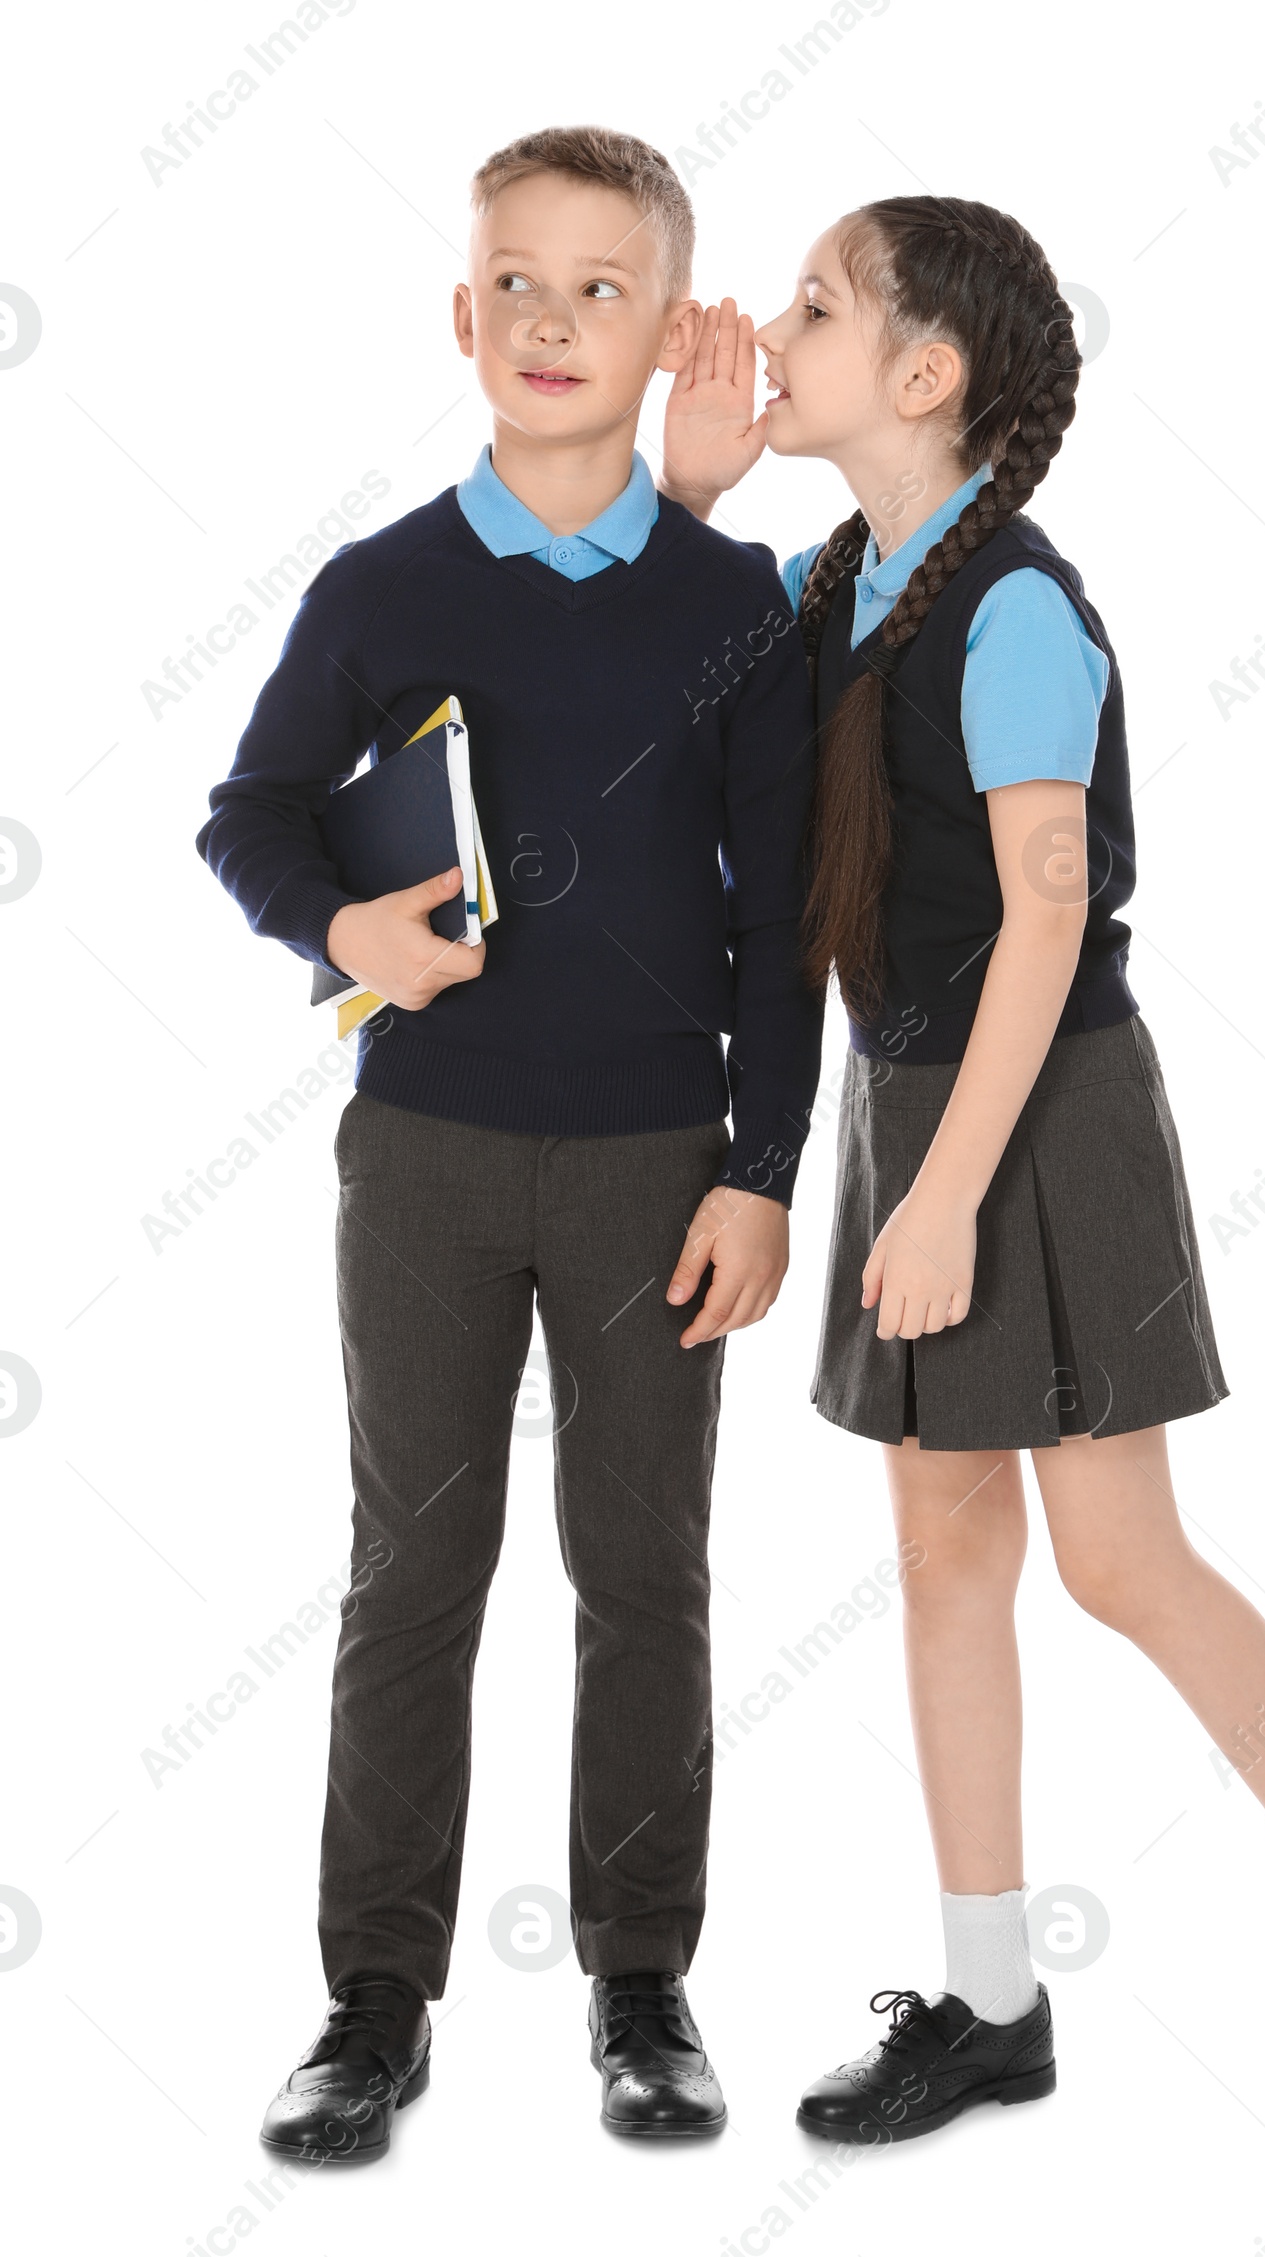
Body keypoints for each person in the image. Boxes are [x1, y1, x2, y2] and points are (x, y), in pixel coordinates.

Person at [659, 194, 1265, 2143]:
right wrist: (678, 512)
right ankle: (984, 1992)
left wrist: (941, 1195)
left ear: (920, 379)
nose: (768, 326)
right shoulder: (826, 579)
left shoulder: (1011, 605)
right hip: (906, 1096)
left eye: (816, 306)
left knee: (1114, 1556)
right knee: (939, 1552)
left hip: (1038, 1108)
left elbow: (1040, 920)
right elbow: (650, 712)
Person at [196, 125, 823, 2157]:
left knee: (644, 1572)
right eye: (516, 283)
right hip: (431, 1162)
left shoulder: (732, 600)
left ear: (664, 336)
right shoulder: (381, 584)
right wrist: (339, 922)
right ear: (463, 314)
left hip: (659, 1165)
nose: (551, 320)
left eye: (600, 287)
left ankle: (643, 1984)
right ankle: (371, 2003)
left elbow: (781, 911)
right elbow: (252, 815)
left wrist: (761, 1168)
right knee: (414, 1573)